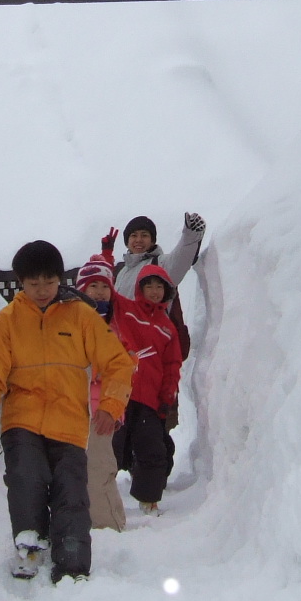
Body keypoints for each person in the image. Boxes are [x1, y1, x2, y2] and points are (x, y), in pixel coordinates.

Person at [0, 240, 136, 582]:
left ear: (60, 279)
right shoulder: (8, 322)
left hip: (70, 423)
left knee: (71, 491)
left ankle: (72, 562)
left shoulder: (81, 316)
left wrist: (110, 404)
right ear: (20, 283)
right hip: (22, 419)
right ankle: (29, 547)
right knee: (26, 478)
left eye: (49, 282)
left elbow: (119, 363)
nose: (42, 290)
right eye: (33, 284)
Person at [112, 263, 183, 514]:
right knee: (112, 448)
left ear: (166, 291)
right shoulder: (127, 310)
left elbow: (172, 365)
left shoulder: (168, 328)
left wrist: (167, 396)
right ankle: (101, 497)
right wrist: (107, 255)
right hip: (120, 395)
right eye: (149, 285)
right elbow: (104, 290)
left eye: (159, 286)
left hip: (149, 401)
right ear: (139, 288)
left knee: (153, 450)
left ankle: (148, 500)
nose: (154, 291)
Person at [74, 256, 131, 533]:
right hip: (73, 411)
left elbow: (122, 370)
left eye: (104, 286)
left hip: (102, 412)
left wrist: (114, 408)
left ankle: (109, 526)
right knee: (76, 473)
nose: (98, 291)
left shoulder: (116, 325)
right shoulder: (72, 321)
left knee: (99, 470)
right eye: (92, 285)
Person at [106, 212, 206, 357]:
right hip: (123, 348)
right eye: (133, 235)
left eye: (144, 235)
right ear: (127, 241)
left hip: (151, 347)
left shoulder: (159, 264)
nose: (139, 240)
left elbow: (180, 260)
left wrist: (190, 235)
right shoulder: (122, 271)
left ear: (152, 241)